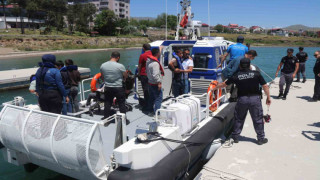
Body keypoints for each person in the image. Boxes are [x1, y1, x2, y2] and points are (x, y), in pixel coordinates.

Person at [211, 58, 271, 145]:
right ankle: (261, 138)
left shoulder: (236, 75)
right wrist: (268, 97)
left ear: (240, 66)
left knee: (239, 118)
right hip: (255, 99)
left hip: (242, 99)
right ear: (250, 65)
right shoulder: (256, 74)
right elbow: (265, 86)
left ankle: (235, 137)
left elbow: (224, 84)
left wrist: (214, 88)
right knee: (257, 119)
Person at [100, 51, 128, 120]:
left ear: (111, 56)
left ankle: (106, 119)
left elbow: (102, 77)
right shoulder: (120, 66)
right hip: (118, 87)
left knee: (107, 103)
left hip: (108, 87)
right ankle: (124, 120)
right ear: (118, 58)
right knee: (121, 104)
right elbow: (125, 76)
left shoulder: (103, 65)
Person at [147, 48, 164, 115]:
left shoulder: (149, 62)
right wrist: (159, 83)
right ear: (157, 54)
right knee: (158, 98)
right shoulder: (155, 64)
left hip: (150, 83)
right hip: (155, 84)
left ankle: (150, 111)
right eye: (159, 52)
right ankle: (157, 113)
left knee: (151, 98)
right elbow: (155, 75)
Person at [138, 44, 152, 111]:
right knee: (151, 90)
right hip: (151, 75)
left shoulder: (142, 55)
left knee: (145, 90)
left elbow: (140, 66)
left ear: (143, 48)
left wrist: (138, 74)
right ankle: (151, 103)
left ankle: (147, 105)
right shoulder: (152, 54)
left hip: (144, 75)